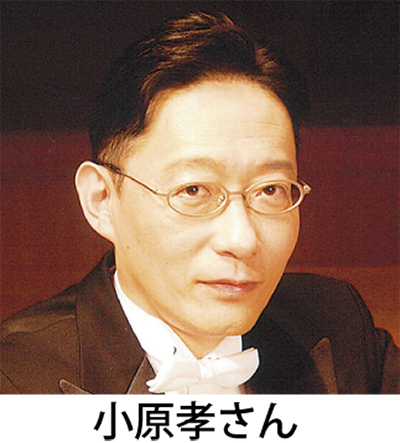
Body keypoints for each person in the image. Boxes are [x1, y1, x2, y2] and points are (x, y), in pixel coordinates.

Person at [1, 11, 398, 395]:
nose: (242, 240)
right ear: (101, 199)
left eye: (269, 190)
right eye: (193, 191)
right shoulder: (17, 378)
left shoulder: (338, 324)